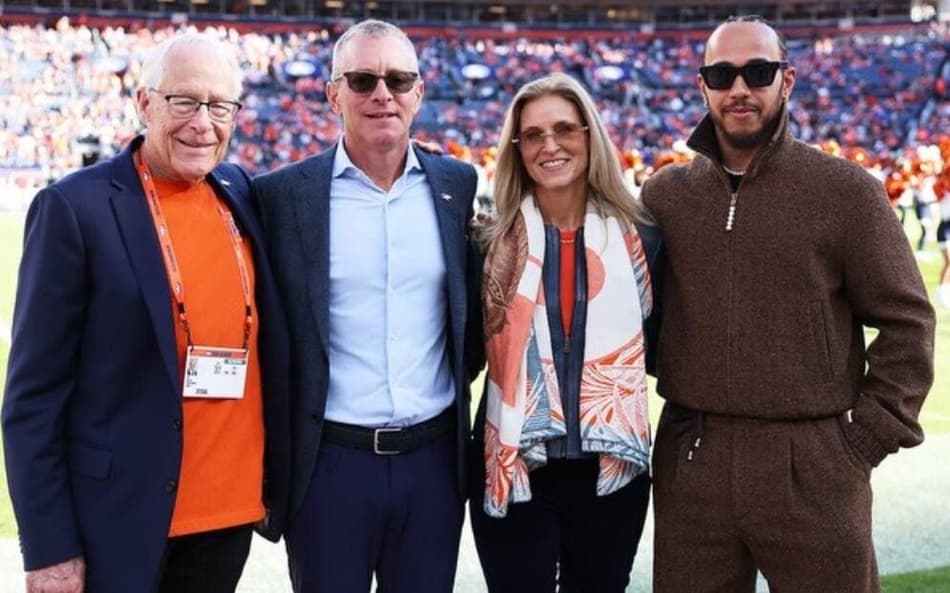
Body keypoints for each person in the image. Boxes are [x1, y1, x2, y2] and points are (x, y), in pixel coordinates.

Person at [641, 16, 935, 593]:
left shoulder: (846, 191)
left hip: (813, 461)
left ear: (788, 79)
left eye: (758, 72)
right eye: (722, 75)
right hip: (693, 454)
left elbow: (908, 322)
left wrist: (862, 442)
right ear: (702, 86)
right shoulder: (666, 196)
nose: (739, 89)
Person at [2, 32, 291, 593]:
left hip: (227, 519)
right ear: (144, 103)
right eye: (184, 101)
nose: (202, 123)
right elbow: (33, 397)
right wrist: (50, 549)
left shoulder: (238, 192)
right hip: (121, 520)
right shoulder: (74, 208)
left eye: (219, 106)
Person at [252, 19, 481, 593]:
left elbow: (471, 325)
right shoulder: (282, 195)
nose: (383, 94)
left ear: (418, 93)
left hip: (433, 464)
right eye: (362, 80)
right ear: (333, 94)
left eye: (398, 80)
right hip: (329, 464)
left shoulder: (457, 184)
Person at [469, 72, 661, 592]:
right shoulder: (488, 244)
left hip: (611, 470)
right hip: (516, 463)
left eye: (564, 130)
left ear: (589, 136)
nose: (549, 145)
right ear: (517, 149)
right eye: (533, 135)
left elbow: (663, 346)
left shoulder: (641, 239)